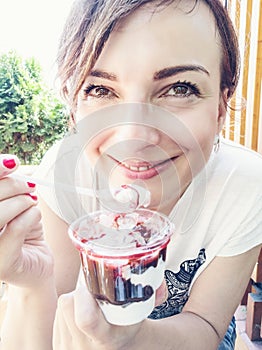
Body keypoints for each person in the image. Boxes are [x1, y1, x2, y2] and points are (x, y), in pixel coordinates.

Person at [0, 0, 261, 349]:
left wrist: (136, 340)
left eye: (180, 88)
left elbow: (206, 324)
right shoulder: (62, 173)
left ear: (220, 107)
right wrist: (30, 283)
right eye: (100, 89)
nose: (134, 138)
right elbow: (45, 331)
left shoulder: (244, 185)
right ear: (75, 107)